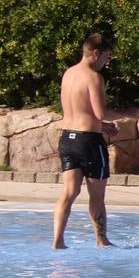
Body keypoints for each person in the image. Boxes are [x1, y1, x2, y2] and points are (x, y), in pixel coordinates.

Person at [52, 33, 117, 249]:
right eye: (106, 57)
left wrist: (101, 126)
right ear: (96, 53)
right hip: (88, 143)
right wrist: (129, 115)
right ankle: (101, 239)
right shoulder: (93, 77)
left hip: (67, 139)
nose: (106, 63)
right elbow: (100, 113)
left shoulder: (68, 74)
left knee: (69, 192)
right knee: (97, 195)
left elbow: (80, 113)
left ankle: (58, 241)